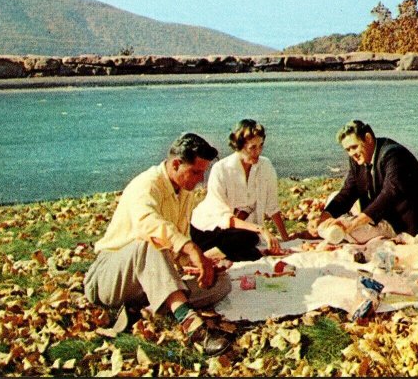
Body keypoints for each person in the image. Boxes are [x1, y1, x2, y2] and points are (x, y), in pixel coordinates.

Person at [84, 133, 233, 356]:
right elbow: (149, 225)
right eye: (195, 172)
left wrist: (199, 265)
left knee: (221, 283)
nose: (200, 180)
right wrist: (191, 248)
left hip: (146, 277)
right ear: (175, 164)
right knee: (149, 243)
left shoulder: (184, 192)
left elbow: (177, 248)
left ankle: (149, 305)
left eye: (203, 172)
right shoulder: (145, 184)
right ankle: (193, 327)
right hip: (109, 278)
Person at [318, 120, 418, 242]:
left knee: (350, 231)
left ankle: (344, 230)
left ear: (368, 138)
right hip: (380, 214)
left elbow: (389, 195)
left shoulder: (393, 155)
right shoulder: (358, 159)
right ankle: (336, 228)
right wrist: (323, 219)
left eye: (354, 147)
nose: (352, 153)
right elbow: (348, 191)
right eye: (348, 150)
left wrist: (353, 223)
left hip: (401, 223)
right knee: (332, 201)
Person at [190, 119, 288, 262]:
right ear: (239, 146)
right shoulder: (221, 169)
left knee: (252, 251)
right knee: (249, 239)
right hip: (207, 229)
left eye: (261, 146)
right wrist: (261, 229)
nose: (258, 152)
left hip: (238, 233)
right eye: (252, 147)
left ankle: (220, 255)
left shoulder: (265, 166)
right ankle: (203, 257)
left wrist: (285, 238)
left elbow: (272, 207)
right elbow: (223, 218)